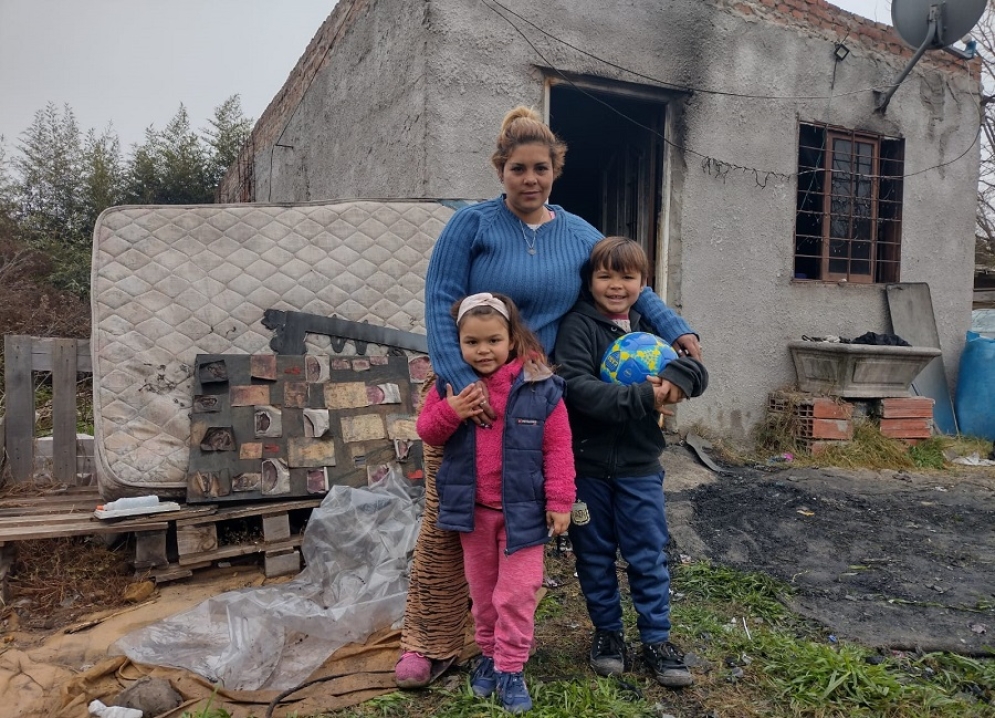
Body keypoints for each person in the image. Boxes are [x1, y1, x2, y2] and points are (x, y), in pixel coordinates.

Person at [396, 105, 702, 688]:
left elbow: (631, 285)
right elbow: (441, 304)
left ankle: (499, 640)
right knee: (448, 518)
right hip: (472, 396)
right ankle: (429, 638)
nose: (529, 179)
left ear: (555, 170)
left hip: (536, 396)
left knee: (519, 521)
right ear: (500, 170)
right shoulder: (471, 225)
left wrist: (677, 329)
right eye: (517, 168)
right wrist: (460, 382)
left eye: (540, 168)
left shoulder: (579, 232)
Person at [553, 236, 708, 688]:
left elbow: (697, 370)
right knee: (594, 554)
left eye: (627, 277)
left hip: (640, 467)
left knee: (647, 553)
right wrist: (645, 395)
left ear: (644, 283)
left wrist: (681, 376)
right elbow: (577, 387)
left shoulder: (652, 327)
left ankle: (657, 639)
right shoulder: (577, 327)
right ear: (590, 280)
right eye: (605, 276)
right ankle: (607, 635)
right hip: (588, 467)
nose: (616, 286)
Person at [415, 292, 575, 713]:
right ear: (458, 343)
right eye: (472, 342)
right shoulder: (452, 385)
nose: (483, 351)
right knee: (484, 594)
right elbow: (429, 432)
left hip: (524, 513)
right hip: (476, 513)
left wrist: (561, 499)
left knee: (518, 593)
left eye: (492, 340)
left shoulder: (540, 385)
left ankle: (511, 667)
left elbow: (558, 446)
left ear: (511, 338)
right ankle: (488, 654)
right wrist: (451, 410)